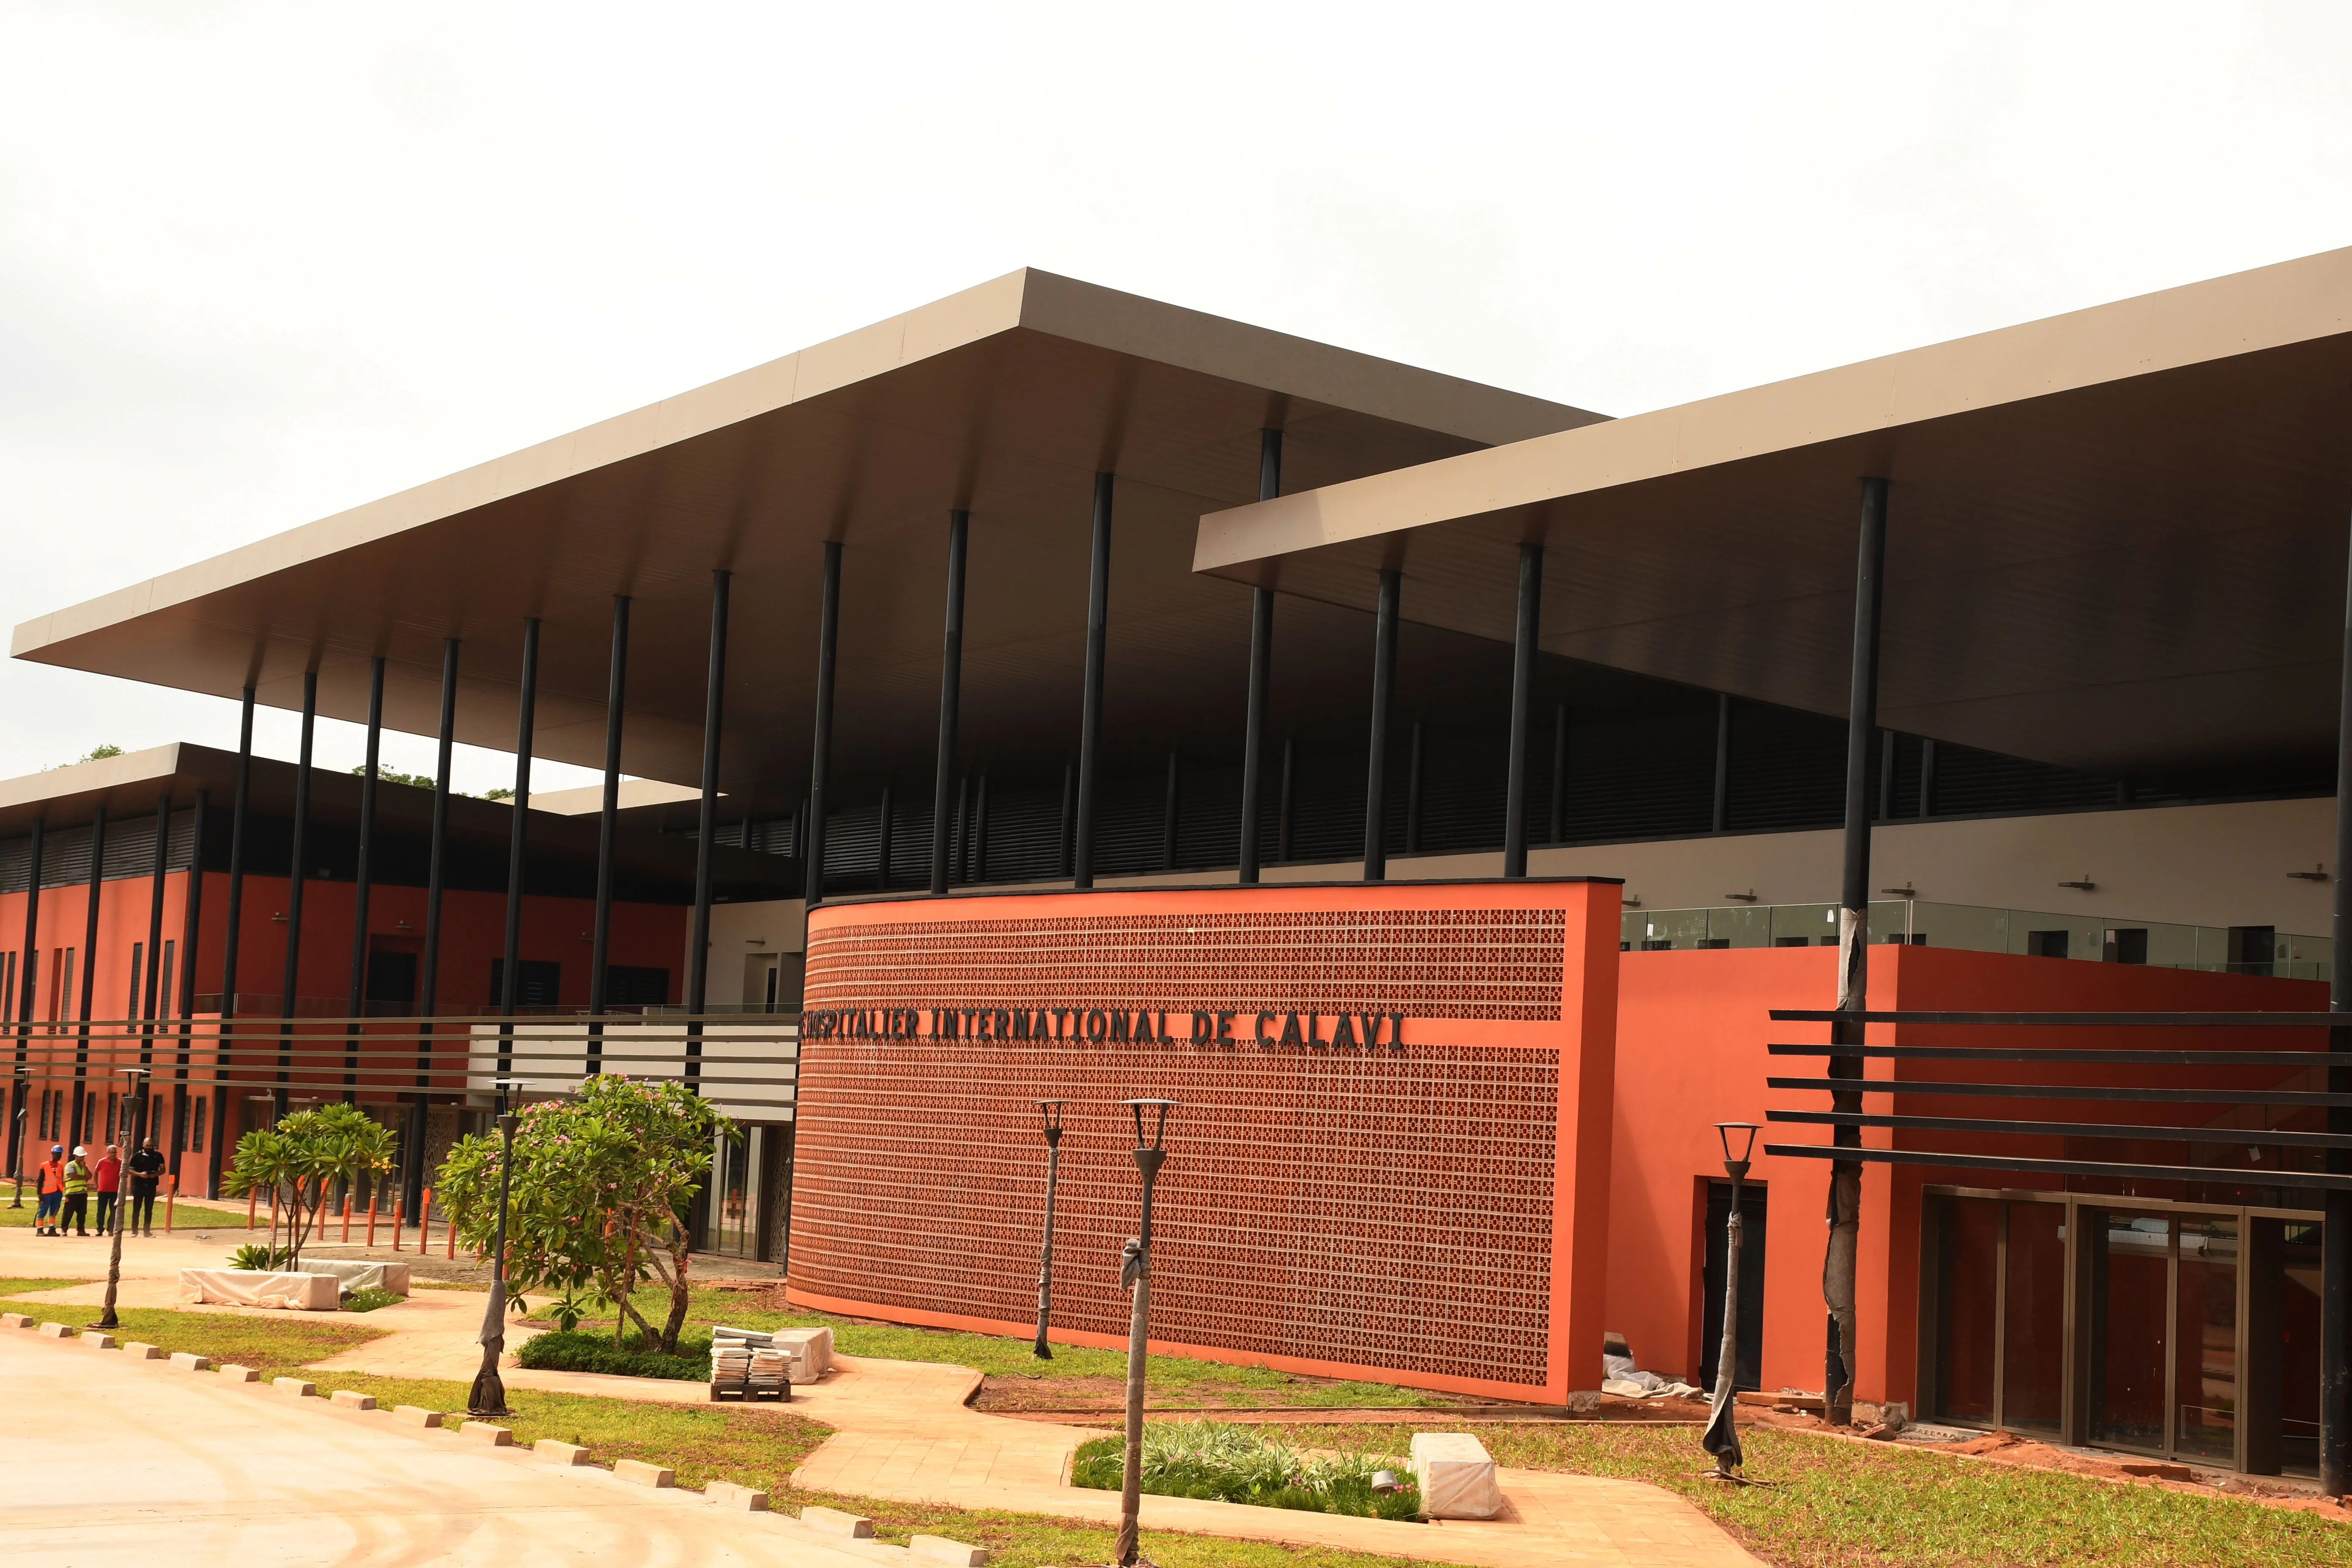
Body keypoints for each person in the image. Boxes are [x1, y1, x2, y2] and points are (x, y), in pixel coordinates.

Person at [127, 1138, 166, 1236]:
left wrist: (156, 1174)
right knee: (137, 1208)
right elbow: (130, 1170)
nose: (149, 1148)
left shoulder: (158, 1155)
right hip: (139, 1185)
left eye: (150, 1146)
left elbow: (163, 1169)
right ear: (143, 1145)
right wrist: (140, 1174)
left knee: (149, 1209)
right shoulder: (137, 1156)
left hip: (151, 1186)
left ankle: (147, 1231)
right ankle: (134, 1231)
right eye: (147, 1146)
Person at [60, 1145, 91, 1236]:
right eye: (80, 1157)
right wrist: (84, 1178)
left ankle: (81, 1230)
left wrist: (84, 1167)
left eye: (83, 1157)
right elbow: (73, 1176)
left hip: (83, 1193)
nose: (82, 1158)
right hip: (72, 1193)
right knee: (68, 1213)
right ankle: (64, 1229)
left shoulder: (84, 1166)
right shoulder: (70, 1165)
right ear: (76, 1156)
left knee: (82, 1213)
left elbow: (90, 1176)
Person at [35, 1145, 64, 1236]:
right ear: (52, 1154)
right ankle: (40, 1229)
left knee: (54, 1211)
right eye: (57, 1154)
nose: (59, 1156)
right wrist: (39, 1193)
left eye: (60, 1154)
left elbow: (60, 1178)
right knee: (43, 1210)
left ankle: (52, 1229)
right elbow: (40, 1181)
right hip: (46, 1193)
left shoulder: (61, 1165)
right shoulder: (45, 1166)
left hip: (58, 1192)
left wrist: (61, 1191)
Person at [93, 1143, 122, 1234]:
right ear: (108, 1153)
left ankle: (110, 1229)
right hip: (103, 1190)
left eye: (115, 1152)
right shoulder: (102, 1162)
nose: (114, 1154)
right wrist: (96, 1184)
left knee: (113, 1211)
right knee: (101, 1211)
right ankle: (100, 1230)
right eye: (112, 1153)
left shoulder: (120, 1162)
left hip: (115, 1191)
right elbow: (96, 1172)